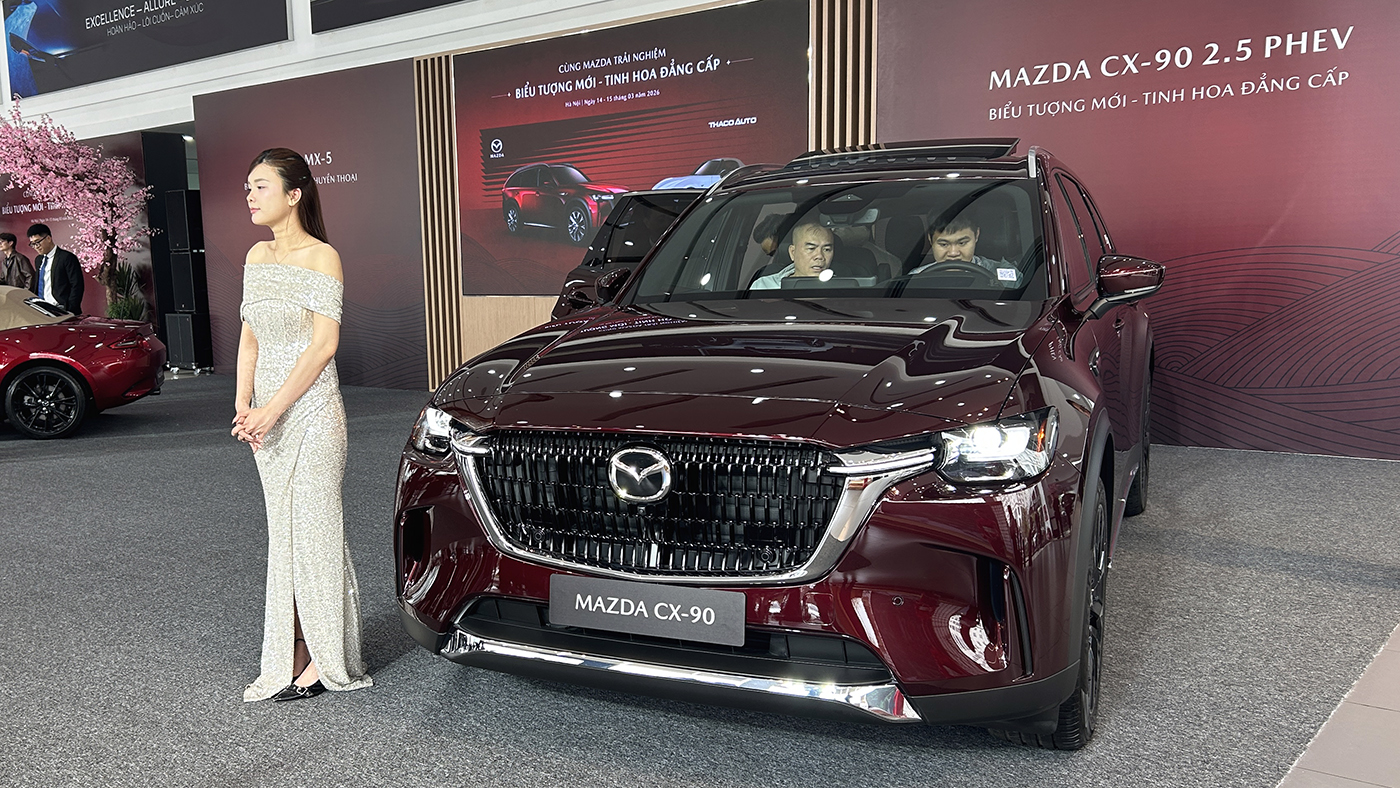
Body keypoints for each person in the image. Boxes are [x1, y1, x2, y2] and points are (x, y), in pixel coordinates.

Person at [233, 148, 371, 703]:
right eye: (248, 186)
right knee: (284, 535)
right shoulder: (255, 255)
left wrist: (271, 410)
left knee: (316, 533)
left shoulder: (323, 257)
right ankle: (292, 645)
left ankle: (323, 654)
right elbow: (249, 341)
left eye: (260, 186)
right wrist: (244, 406)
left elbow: (323, 347)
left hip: (312, 415)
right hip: (265, 421)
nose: (249, 195)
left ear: (294, 195)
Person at [907, 215, 1017, 284]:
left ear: (976, 235)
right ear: (930, 240)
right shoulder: (915, 278)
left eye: (962, 243)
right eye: (944, 244)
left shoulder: (1003, 274)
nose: (953, 253)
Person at [749, 221, 835, 289]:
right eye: (811, 248)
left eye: (827, 250)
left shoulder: (840, 288)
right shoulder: (765, 286)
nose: (819, 256)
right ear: (793, 252)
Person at [28, 224, 84, 313]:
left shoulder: (66, 257)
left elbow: (77, 285)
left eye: (37, 242)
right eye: (32, 244)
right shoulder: (38, 260)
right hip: (41, 309)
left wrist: (71, 309)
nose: (36, 246)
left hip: (61, 309)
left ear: (48, 238)